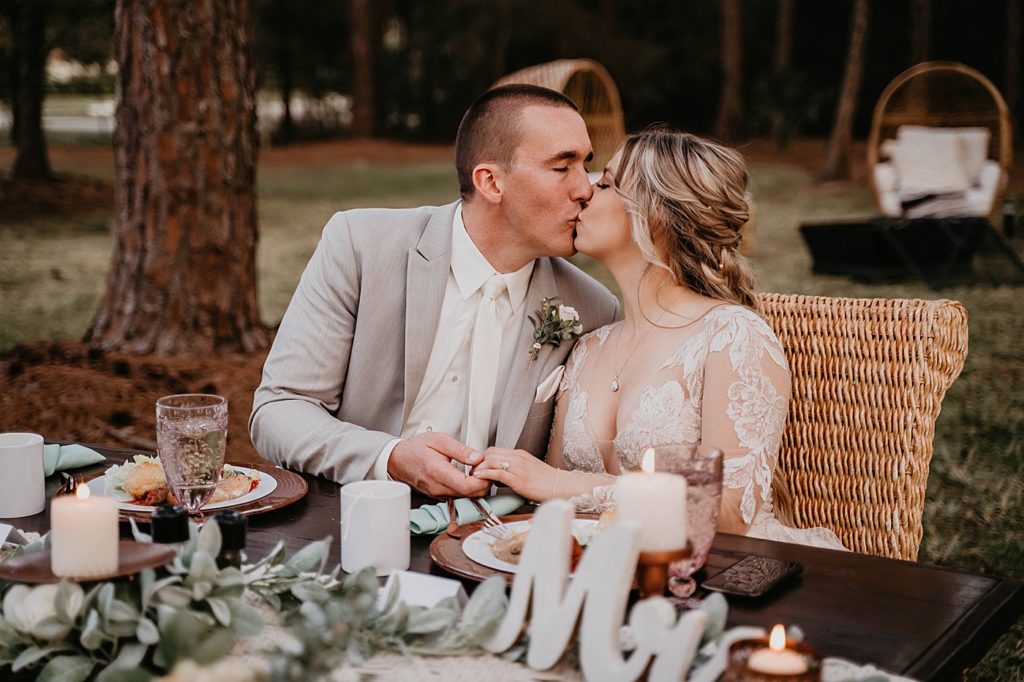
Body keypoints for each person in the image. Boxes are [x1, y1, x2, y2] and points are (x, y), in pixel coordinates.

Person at [474, 127, 845, 549]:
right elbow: (551, 496)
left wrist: (561, 484)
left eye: (607, 184)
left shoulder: (731, 337)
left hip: (716, 570)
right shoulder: (589, 348)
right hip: (605, 567)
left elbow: (729, 512)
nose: (585, 192)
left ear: (654, 214)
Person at [249, 84, 619, 498]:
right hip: (351, 514)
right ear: (491, 182)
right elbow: (279, 411)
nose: (585, 189)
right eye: (562, 167)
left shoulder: (592, 308)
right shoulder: (361, 246)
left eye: (585, 164)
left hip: (496, 532)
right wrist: (388, 457)